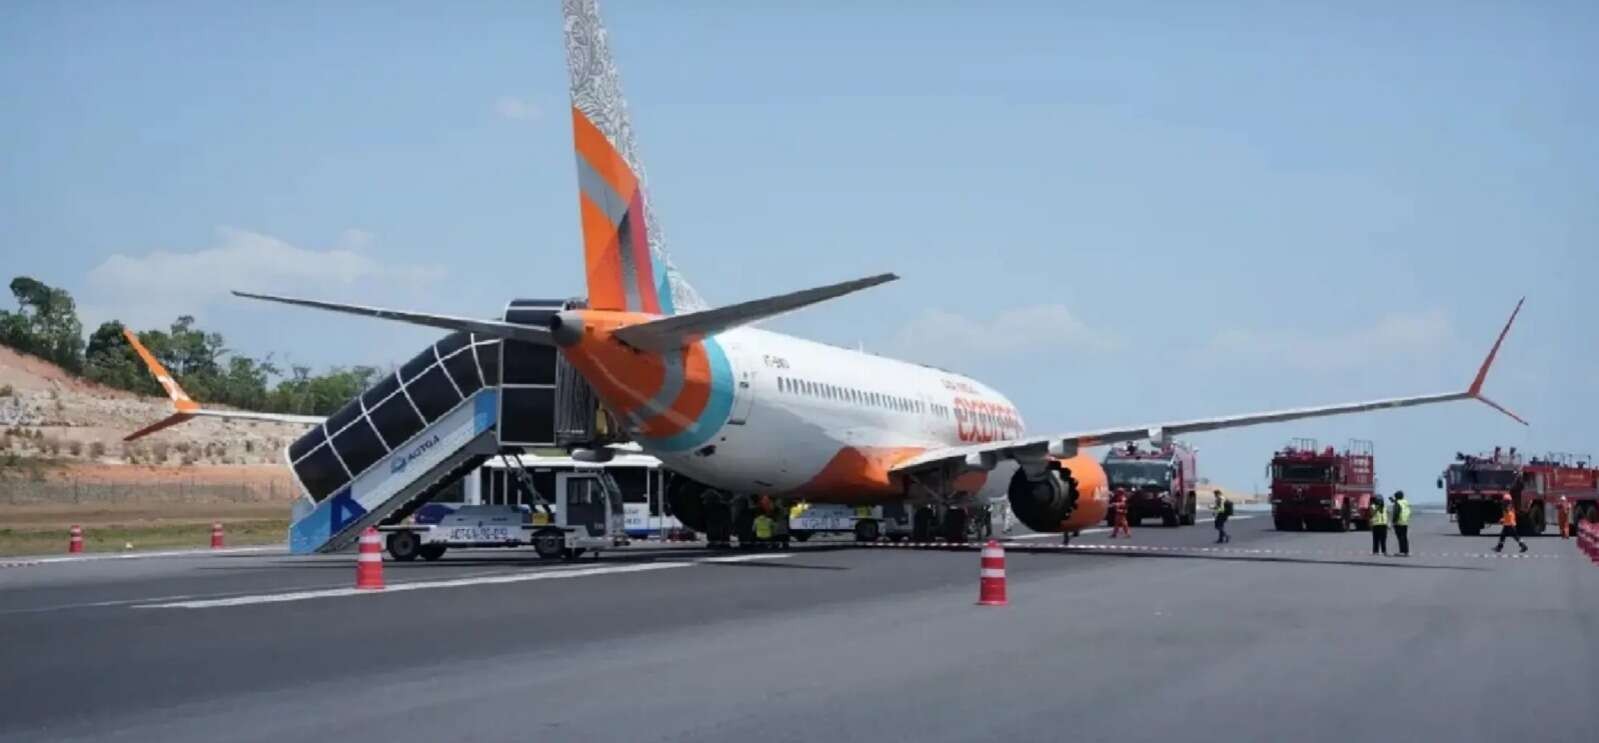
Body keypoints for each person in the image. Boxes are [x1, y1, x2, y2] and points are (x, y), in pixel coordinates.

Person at [1391, 491, 1412, 556]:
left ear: (1396, 497)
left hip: (1399, 522)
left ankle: (1402, 551)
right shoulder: (1405, 502)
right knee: (1404, 537)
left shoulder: (1397, 503)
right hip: (1405, 521)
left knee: (1400, 537)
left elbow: (1396, 513)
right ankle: (1406, 551)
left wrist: (1393, 521)